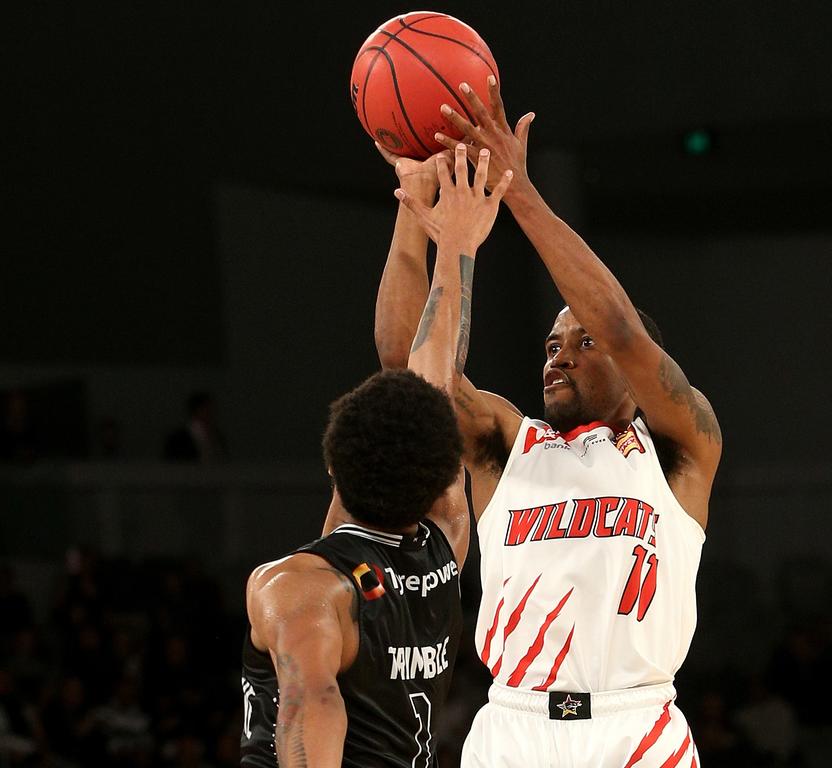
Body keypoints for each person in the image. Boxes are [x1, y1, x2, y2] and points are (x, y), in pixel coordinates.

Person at [380, 78, 722, 767]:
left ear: (634, 369)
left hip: (637, 729)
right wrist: (427, 224)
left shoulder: (679, 448)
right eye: (550, 346)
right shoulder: (509, 445)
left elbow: (619, 325)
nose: (558, 357)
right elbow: (411, 371)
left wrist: (516, 191)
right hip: (515, 726)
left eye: (580, 343)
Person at [240, 145, 511, 768]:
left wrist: (431, 222)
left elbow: (312, 705)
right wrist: (449, 238)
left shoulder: (299, 588)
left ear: (335, 467)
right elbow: (430, 374)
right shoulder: (449, 545)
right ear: (445, 472)